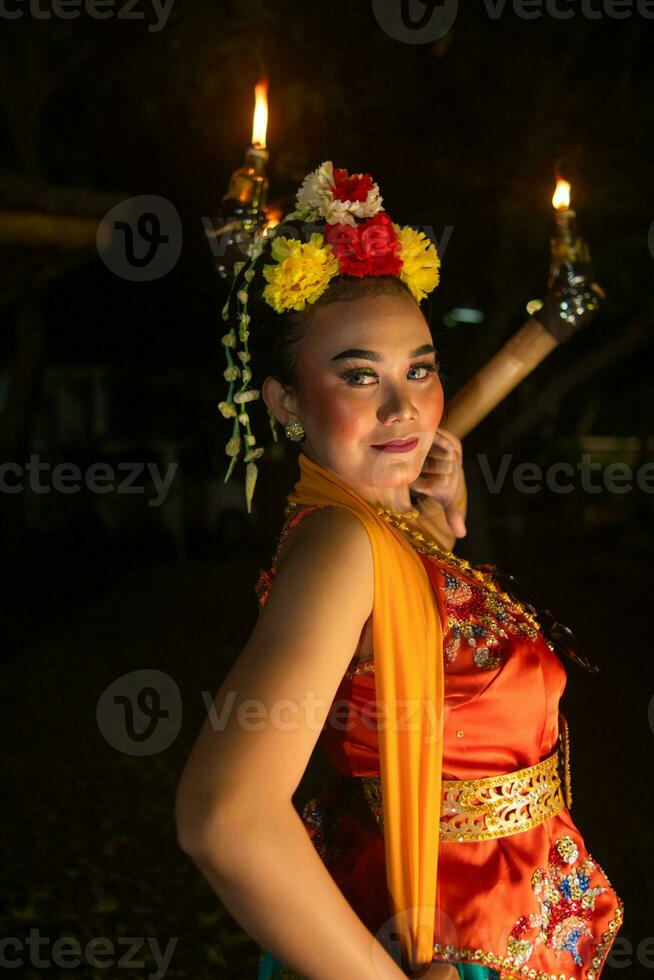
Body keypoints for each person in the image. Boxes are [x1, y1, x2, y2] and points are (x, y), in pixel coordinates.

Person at [175, 162, 623, 980]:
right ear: (283, 404)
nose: (404, 409)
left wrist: (443, 535)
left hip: (503, 917)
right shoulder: (344, 544)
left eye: (419, 369)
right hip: (434, 940)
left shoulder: (385, 524)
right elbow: (225, 816)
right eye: (358, 376)